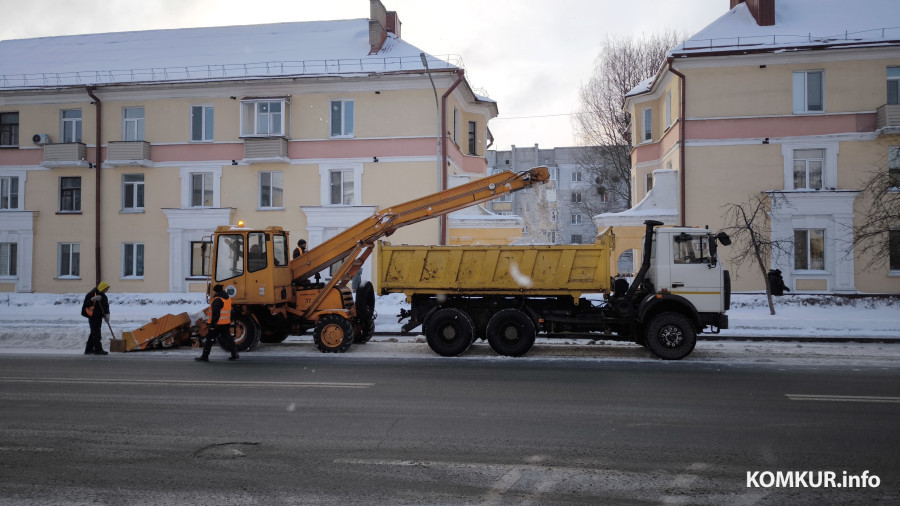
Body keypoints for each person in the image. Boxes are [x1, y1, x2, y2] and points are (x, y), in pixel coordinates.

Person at [196, 284, 239, 362]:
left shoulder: (217, 300)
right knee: (228, 339)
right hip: (225, 323)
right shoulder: (227, 298)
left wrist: (212, 324)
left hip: (217, 324)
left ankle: (205, 356)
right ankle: (235, 354)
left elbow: (216, 313)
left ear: (216, 291)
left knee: (209, 339)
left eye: (214, 291)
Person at [82, 281, 111, 355]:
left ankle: (89, 349)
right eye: (105, 289)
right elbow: (86, 304)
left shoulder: (103, 296)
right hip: (92, 316)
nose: (106, 291)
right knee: (97, 333)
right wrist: (93, 299)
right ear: (102, 288)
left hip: (98, 316)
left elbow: (106, 306)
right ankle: (98, 350)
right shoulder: (91, 294)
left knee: (93, 333)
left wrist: (107, 315)